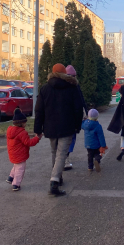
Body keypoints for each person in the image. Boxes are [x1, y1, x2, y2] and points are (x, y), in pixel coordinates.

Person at [34, 63, 84, 196]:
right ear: (64, 74)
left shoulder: (45, 89)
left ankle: (58, 177)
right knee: (61, 153)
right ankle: (54, 182)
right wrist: (77, 125)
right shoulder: (72, 87)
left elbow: (39, 110)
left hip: (50, 126)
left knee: (54, 152)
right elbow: (78, 108)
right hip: (67, 125)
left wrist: (38, 128)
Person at [6, 108, 42, 191]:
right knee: (20, 169)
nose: (26, 124)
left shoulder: (10, 131)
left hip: (12, 153)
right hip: (20, 154)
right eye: (25, 123)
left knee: (16, 166)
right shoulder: (22, 133)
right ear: (22, 123)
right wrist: (37, 138)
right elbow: (29, 142)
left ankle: (11, 177)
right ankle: (16, 184)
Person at [64, 65, 89, 171]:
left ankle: (63, 159)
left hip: (63, 117)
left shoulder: (61, 85)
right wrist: (85, 113)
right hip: (72, 117)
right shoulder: (75, 86)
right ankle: (65, 158)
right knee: (71, 138)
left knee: (64, 138)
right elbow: (80, 101)